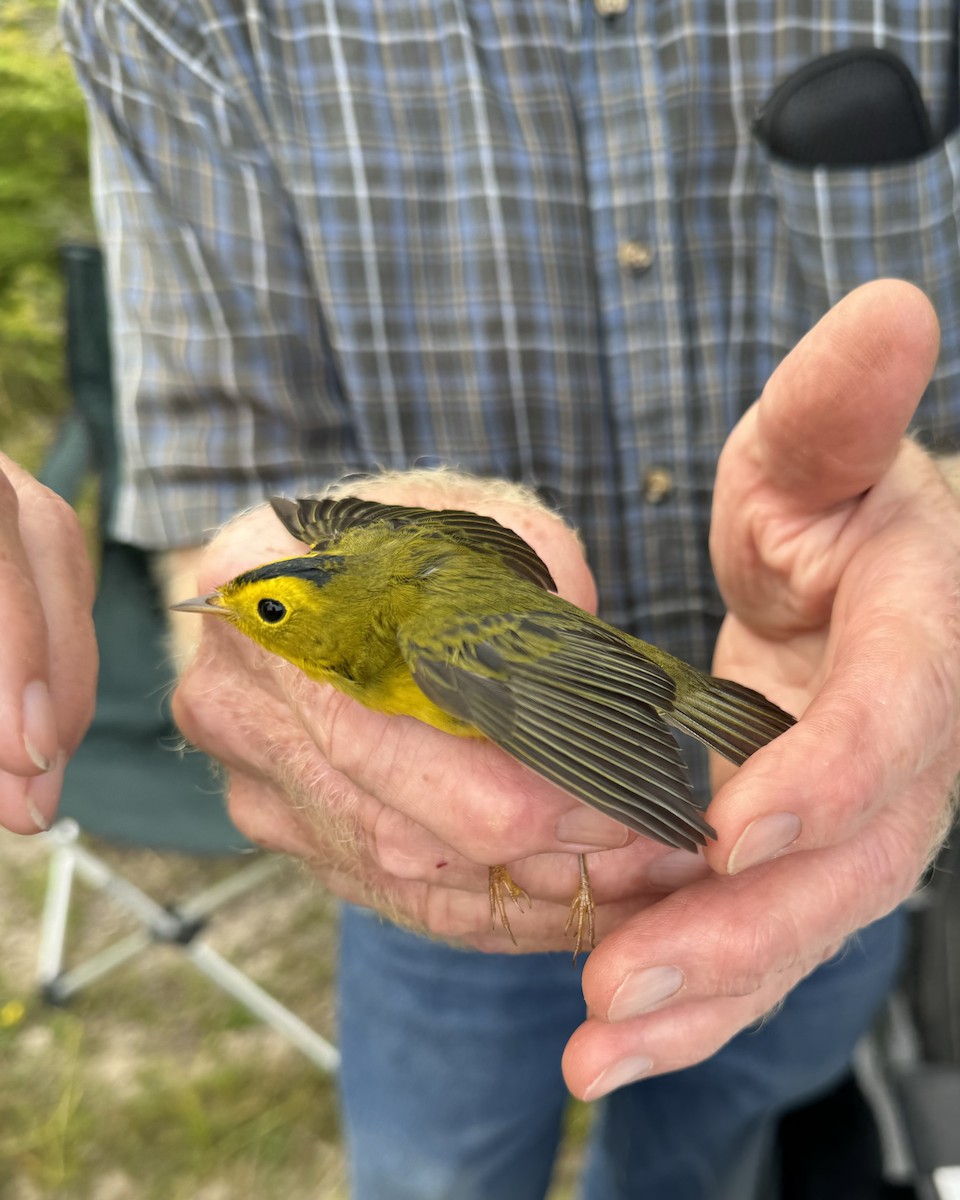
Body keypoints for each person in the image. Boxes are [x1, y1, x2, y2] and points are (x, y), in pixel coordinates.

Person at [2, 1, 956, 1196]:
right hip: (440, 869)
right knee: (437, 1169)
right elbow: (217, 486)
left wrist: (931, 530)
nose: (236, 618)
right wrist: (262, 653)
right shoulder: (176, 19)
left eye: (276, 619)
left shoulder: (433, 637)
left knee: (715, 1143)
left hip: (816, 802)